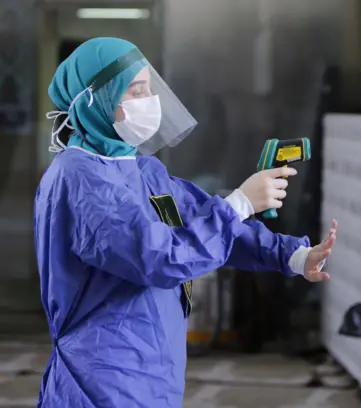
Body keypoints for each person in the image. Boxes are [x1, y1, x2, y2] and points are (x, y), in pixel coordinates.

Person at [35, 37, 338, 408]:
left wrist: (291, 256)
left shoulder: (142, 170)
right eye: (135, 91)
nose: (149, 101)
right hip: (102, 380)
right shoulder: (80, 177)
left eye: (149, 88)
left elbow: (201, 218)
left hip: (153, 372)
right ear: (96, 100)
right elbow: (157, 258)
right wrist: (240, 203)